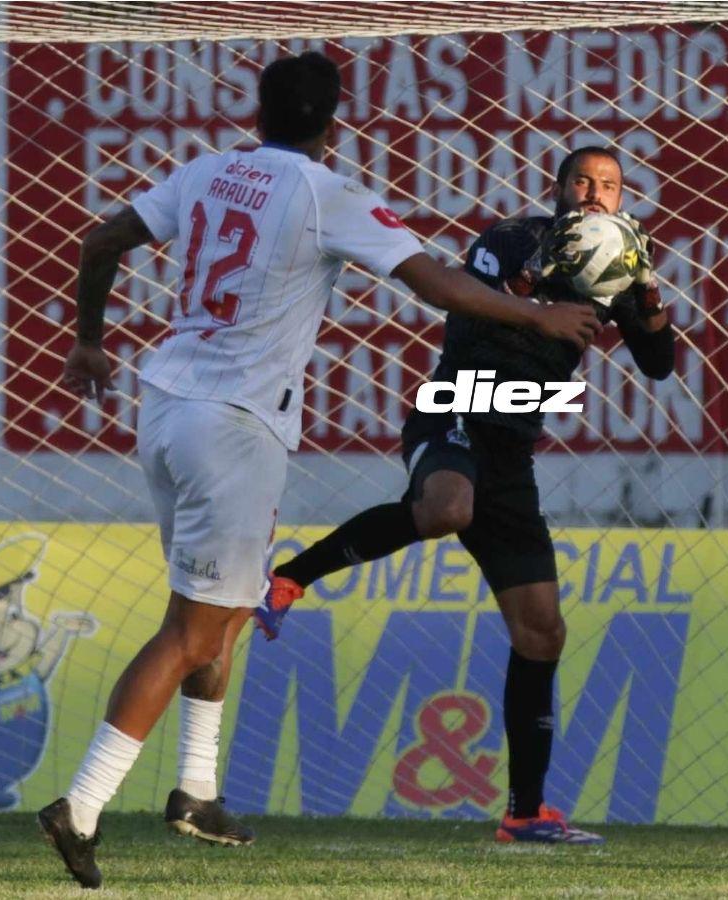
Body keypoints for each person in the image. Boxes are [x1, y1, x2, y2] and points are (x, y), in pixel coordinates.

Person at [40, 51, 600, 889]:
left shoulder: (205, 171)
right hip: (234, 426)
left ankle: (196, 789)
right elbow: (438, 284)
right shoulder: (325, 192)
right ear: (334, 124)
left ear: (257, 113)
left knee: (216, 605)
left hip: (163, 408)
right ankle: (81, 805)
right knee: (193, 631)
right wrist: (539, 313)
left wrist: (88, 339)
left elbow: (103, 240)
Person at [259, 145, 675, 844]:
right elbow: (468, 317)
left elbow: (659, 365)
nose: (595, 193)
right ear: (559, 188)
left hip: (511, 453)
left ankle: (525, 812)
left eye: (609, 185)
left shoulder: (620, 269)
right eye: (582, 180)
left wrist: (649, 299)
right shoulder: (512, 240)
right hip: (455, 407)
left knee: (542, 630)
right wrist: (536, 294)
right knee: (449, 507)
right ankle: (289, 580)